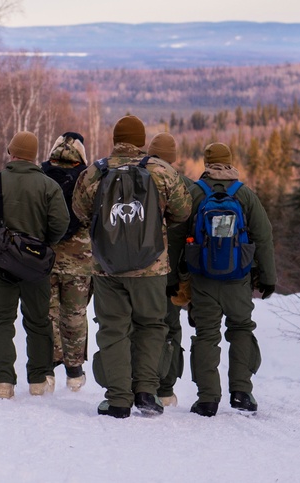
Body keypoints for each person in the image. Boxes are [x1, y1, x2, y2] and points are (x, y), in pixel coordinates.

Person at [71, 116, 191, 418]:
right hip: (151, 266)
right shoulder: (160, 170)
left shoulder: (94, 172)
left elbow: (80, 212)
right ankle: (147, 394)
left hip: (107, 267)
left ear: (115, 139)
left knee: (113, 329)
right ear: (141, 140)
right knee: (151, 325)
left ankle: (118, 399)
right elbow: (182, 211)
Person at [170, 142, 276, 417]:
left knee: (206, 334)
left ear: (206, 163)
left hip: (202, 279)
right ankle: (241, 393)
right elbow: (263, 235)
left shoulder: (194, 193)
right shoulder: (244, 195)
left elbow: (176, 237)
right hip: (238, 278)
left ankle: (207, 399)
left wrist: (172, 277)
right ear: (230, 162)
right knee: (241, 329)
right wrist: (267, 277)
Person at [0, 131, 70, 399]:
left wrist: (1, 240)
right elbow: (60, 224)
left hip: (2, 262)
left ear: (12, 152)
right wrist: (41, 244)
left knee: (2, 319)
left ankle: (4, 381)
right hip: (36, 264)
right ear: (34, 155)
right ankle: (38, 380)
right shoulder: (49, 186)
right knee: (38, 320)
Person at [40, 132, 93, 391]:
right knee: (74, 315)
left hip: (45, 257)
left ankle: (47, 370)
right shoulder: (88, 176)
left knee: (48, 314)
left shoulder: (41, 173)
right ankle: (74, 372)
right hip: (79, 259)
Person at [146, 131, 192, 408]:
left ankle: (138, 385)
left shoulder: (131, 178)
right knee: (170, 329)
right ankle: (165, 389)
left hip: (136, 269)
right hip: (171, 274)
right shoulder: (185, 185)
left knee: (139, 327)